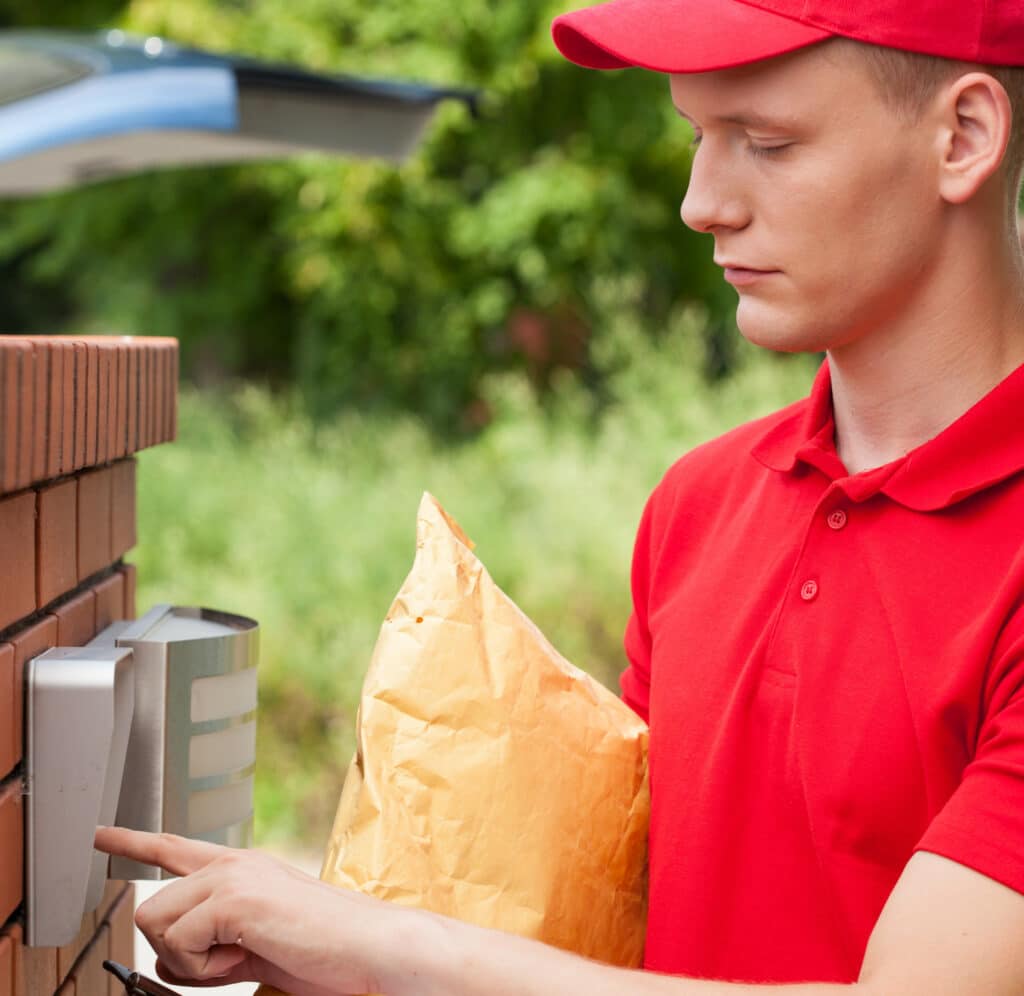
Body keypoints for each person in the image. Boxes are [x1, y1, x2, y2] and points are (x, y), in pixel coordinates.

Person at [96, 0, 1024, 992]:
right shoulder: (699, 506)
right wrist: (310, 938)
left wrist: (372, 950)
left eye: (765, 141)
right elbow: (604, 934)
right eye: (696, 136)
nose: (701, 202)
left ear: (960, 137)